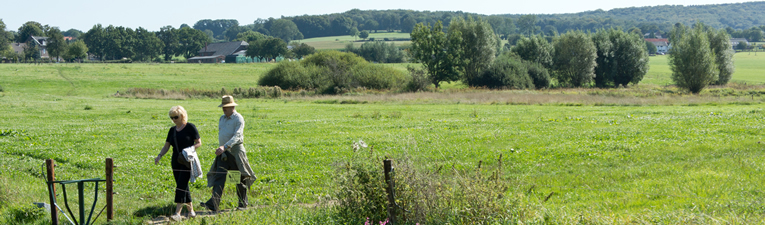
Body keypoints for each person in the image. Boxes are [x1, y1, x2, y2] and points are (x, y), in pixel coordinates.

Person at [201, 95, 256, 211]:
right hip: (224, 153)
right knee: (219, 177)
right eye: (223, 107)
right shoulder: (222, 118)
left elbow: (237, 136)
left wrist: (225, 146)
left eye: (226, 107)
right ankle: (213, 204)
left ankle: (242, 204)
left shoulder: (238, 119)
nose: (223, 109)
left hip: (235, 152)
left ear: (232, 107)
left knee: (239, 178)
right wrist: (222, 148)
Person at [155, 106, 200, 221]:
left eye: (175, 117)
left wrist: (189, 150)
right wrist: (160, 155)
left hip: (187, 160)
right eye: (171, 118)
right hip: (175, 161)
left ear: (182, 116)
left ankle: (177, 213)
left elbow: (198, 143)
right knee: (183, 186)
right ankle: (191, 212)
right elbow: (166, 146)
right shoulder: (172, 130)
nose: (174, 120)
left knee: (180, 186)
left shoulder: (190, 127)